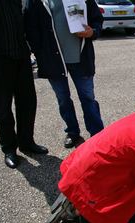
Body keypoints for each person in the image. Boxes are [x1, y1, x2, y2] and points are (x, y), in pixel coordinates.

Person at [24, 0, 104, 149]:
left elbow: (97, 19)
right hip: (53, 60)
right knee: (63, 99)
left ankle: (98, 134)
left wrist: (92, 32)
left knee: (88, 97)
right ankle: (73, 132)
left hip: (81, 58)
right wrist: (39, 52)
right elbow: (30, 27)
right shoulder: (36, 1)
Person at [0, 0, 48, 169]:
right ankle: (9, 149)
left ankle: (26, 142)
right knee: (3, 106)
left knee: (28, 101)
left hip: (21, 53)